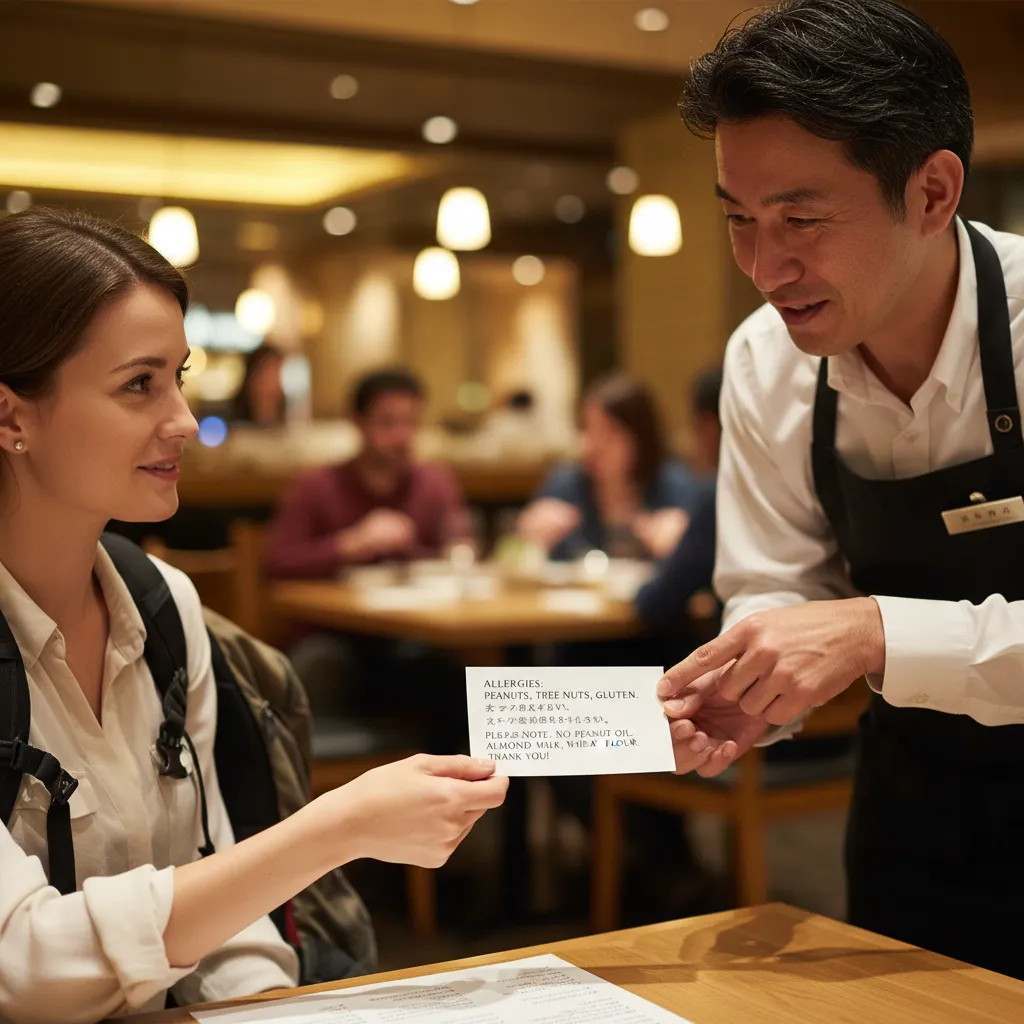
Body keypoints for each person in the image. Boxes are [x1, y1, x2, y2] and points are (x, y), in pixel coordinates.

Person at [0, 208, 507, 1022]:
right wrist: (335, 828)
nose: (184, 421)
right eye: (139, 384)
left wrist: (269, 1005)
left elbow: (227, 914)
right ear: (10, 416)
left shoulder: (167, 606)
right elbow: (21, 965)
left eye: (180, 377)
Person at [657, 0, 1024, 979]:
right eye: (738, 219)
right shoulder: (765, 365)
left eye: (801, 220)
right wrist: (751, 690)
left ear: (933, 191)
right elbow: (773, 579)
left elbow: (855, 628)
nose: (764, 267)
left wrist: (872, 632)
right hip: (915, 808)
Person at [265, 368, 468, 579]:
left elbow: (458, 551)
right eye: (388, 422)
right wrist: (350, 545)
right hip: (335, 610)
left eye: (411, 422)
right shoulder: (316, 486)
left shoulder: (435, 484)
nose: (402, 436)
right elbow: (276, 563)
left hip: (419, 609)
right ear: (358, 422)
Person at [518, 372, 697, 561]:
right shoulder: (566, 484)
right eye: (587, 428)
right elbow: (520, 553)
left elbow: (699, 561)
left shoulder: (673, 484)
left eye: (607, 432)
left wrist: (683, 541)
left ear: (639, 438)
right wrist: (528, 536)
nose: (591, 445)